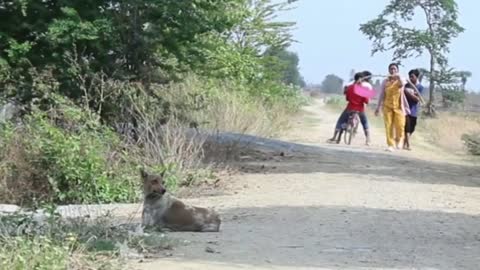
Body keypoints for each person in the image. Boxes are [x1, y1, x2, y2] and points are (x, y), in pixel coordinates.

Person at [328, 71, 372, 145]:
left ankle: (336, 137)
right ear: (362, 79)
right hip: (360, 109)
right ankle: (368, 140)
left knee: (341, 120)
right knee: (364, 122)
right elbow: (366, 101)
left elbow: (347, 99)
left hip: (350, 108)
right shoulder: (363, 89)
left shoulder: (350, 87)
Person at [375, 63, 410, 152]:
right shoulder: (385, 81)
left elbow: (402, 84)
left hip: (399, 107)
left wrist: (398, 77)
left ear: (397, 70)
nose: (393, 70)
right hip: (387, 107)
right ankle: (390, 144)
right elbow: (381, 95)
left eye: (394, 69)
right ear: (389, 71)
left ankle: (399, 140)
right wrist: (378, 107)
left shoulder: (400, 79)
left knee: (400, 125)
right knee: (388, 125)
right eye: (391, 69)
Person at [403, 69, 424, 150]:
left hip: (414, 110)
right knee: (407, 127)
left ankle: (404, 143)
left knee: (412, 128)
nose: (410, 78)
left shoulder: (420, 87)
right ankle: (408, 145)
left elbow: (416, 99)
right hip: (406, 109)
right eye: (409, 77)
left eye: (412, 77)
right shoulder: (406, 85)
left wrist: (407, 92)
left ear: (416, 77)